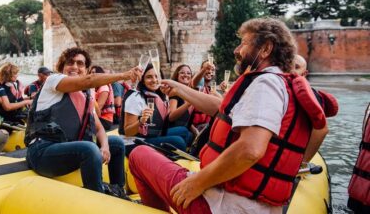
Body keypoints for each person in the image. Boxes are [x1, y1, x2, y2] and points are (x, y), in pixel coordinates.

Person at [129, 18, 325, 213]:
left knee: (139, 155)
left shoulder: (266, 84)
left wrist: (197, 182)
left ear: (265, 49)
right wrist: (179, 89)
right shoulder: (280, 84)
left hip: (223, 206)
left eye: (244, 43)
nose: (237, 50)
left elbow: (250, 150)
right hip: (249, 204)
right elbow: (221, 108)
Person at [25, 47, 141, 194]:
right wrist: (125, 75)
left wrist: (105, 147)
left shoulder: (86, 97)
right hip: (42, 152)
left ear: (86, 69)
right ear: (62, 68)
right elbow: (89, 80)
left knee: (116, 144)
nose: (74, 67)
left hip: (69, 149)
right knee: (89, 148)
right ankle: (97, 197)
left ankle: (118, 191)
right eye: (70, 63)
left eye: (80, 64)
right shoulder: (53, 81)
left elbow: (99, 129)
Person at [122, 64, 186, 151]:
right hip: (135, 142)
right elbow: (128, 132)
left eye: (157, 76)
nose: (154, 80)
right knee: (179, 142)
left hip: (152, 135)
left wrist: (168, 97)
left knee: (184, 131)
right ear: (142, 80)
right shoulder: (135, 97)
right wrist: (141, 120)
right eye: (149, 77)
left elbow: (167, 119)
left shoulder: (159, 96)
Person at [293, 54, 338, 162]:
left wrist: (303, 162)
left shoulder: (310, 95)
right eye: (287, 64)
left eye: (296, 67)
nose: (291, 70)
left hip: (295, 155)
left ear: (304, 74)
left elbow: (321, 130)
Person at [167, 64, 194, 146]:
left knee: (193, 134)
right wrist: (188, 104)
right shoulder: (174, 92)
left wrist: (195, 130)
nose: (186, 75)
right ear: (177, 76)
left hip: (183, 130)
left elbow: (185, 120)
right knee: (185, 132)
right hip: (170, 129)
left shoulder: (190, 93)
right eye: (182, 73)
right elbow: (171, 117)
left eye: (188, 73)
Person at [89, 65, 115, 131]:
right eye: (90, 72)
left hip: (105, 120)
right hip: (98, 117)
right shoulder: (96, 87)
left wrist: (90, 93)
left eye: (94, 72)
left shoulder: (104, 88)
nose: (91, 74)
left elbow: (98, 111)